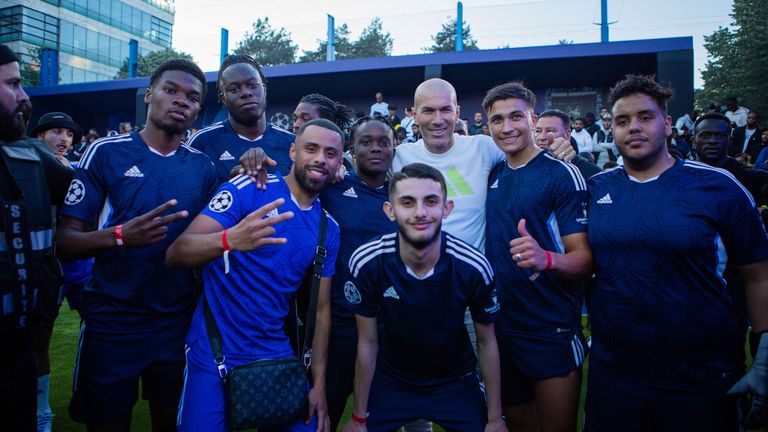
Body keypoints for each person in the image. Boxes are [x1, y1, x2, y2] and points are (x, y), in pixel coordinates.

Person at [585, 74, 768, 431]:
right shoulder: (595, 189)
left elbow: (758, 272)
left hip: (700, 371)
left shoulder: (717, 186)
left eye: (645, 117)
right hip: (615, 372)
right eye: (623, 121)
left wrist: (764, 350)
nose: (634, 128)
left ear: (667, 124)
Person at [57, 59, 219, 432]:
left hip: (177, 322)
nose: (181, 101)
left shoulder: (204, 167)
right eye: (170, 90)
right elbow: (65, 242)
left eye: (192, 97)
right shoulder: (106, 153)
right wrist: (119, 236)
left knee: (171, 423)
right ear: (149, 95)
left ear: (198, 110)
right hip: (113, 320)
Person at [167, 119, 343, 432]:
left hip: (272, 348)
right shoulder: (250, 187)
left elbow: (322, 312)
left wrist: (318, 385)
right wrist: (229, 240)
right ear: (292, 151)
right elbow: (177, 252)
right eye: (311, 148)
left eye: (331, 153)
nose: (320, 159)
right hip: (215, 345)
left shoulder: (328, 228)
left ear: (339, 163)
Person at [340, 163, 506, 432]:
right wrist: (358, 418)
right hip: (392, 380)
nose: (420, 213)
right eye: (407, 202)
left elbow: (487, 342)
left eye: (431, 201)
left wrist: (495, 418)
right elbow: (368, 343)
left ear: (446, 208)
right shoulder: (367, 262)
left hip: (454, 382)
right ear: (390, 211)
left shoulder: (473, 266)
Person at [483, 82, 592, 432]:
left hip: (551, 328)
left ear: (533, 119)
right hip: (502, 328)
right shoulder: (494, 174)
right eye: (497, 119)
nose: (507, 127)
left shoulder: (561, 173)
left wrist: (547, 258)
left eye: (516, 116)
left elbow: (585, 260)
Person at [0, 44, 74, 432]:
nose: (24, 96)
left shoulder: (31, 156)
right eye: (13, 84)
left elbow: (77, 202)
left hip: (18, 343)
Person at [319, 117, 397, 430]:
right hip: (340, 320)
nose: (376, 148)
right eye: (367, 142)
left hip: (387, 324)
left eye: (384, 142)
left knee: (379, 413)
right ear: (353, 149)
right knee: (326, 405)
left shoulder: (405, 193)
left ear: (394, 149)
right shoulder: (333, 187)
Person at [187, 54, 294, 184]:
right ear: (223, 98)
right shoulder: (201, 142)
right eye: (234, 89)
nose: (246, 93)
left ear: (264, 88)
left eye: (252, 85)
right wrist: (232, 187)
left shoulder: (292, 143)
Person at [535, 110, 601, 179]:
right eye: (537, 131)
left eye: (550, 131)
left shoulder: (592, 174)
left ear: (567, 134)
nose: (541, 137)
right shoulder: (528, 166)